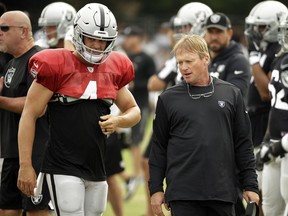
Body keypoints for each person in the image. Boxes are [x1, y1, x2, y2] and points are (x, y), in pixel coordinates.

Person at [17, 3, 141, 216]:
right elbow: (29, 113)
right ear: (77, 34)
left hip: (96, 166)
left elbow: (133, 110)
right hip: (61, 164)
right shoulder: (56, 64)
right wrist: (25, 164)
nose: (96, 45)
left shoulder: (114, 67)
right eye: (90, 38)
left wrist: (119, 121)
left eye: (102, 41)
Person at [148, 34, 259, 216]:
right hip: (183, 195)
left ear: (205, 58)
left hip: (222, 193)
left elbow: (243, 144)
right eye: (180, 62)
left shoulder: (231, 94)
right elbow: (159, 147)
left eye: (189, 61)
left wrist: (250, 185)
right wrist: (156, 189)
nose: (183, 67)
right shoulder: (168, 99)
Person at [0, 11, 50, 216]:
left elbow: (37, 107)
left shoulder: (38, 60)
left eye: (4, 28)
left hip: (34, 154)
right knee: (6, 211)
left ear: (24, 31)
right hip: (11, 152)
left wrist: (0, 101)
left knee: (35, 211)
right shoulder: (11, 63)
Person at [244, 1, 288, 215]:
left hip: (274, 131)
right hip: (268, 131)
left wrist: (253, 59)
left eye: (262, 27)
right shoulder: (276, 55)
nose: (256, 32)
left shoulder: (276, 52)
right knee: (264, 196)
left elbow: (265, 92)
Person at [256, 10, 288, 216]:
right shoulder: (281, 59)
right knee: (269, 209)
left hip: (283, 147)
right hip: (276, 147)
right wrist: (268, 140)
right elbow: (276, 107)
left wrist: (278, 146)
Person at [121, 25, 156, 200]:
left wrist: (136, 84)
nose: (126, 40)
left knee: (136, 141)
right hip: (124, 105)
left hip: (140, 105)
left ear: (138, 38)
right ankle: (132, 175)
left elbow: (153, 82)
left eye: (130, 37)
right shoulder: (126, 57)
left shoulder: (147, 58)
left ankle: (137, 176)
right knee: (125, 142)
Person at [204, 12, 251, 96]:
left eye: (219, 32)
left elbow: (232, 97)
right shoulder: (202, 58)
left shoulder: (238, 61)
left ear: (230, 33)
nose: (214, 37)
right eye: (210, 31)